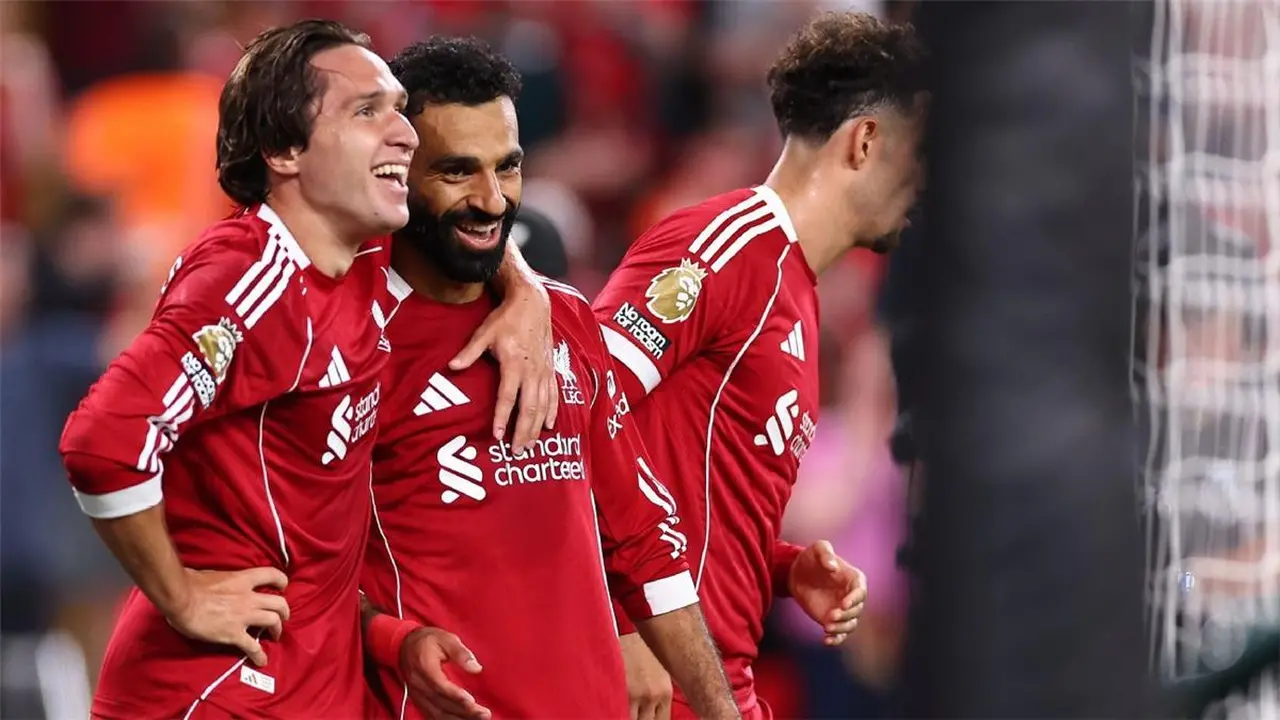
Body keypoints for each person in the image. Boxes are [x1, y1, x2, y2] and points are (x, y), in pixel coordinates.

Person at [58, 20, 556, 719]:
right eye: (367, 111)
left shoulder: (359, 255)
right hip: (218, 690)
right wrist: (183, 596)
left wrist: (526, 290)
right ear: (285, 150)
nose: (405, 134)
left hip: (308, 684)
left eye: (399, 109)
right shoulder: (250, 277)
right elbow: (105, 441)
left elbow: (473, 221)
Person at [358, 37, 739, 720]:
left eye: (507, 166)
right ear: (397, 172)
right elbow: (304, 564)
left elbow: (644, 541)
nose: (491, 199)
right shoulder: (353, 341)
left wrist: (720, 712)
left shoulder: (566, 317)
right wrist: (391, 639)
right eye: (456, 171)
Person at [590, 12, 927, 719]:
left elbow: (691, 490)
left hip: (719, 685)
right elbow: (573, 415)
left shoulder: (797, 290)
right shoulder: (726, 248)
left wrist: (780, 566)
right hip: (659, 688)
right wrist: (618, 626)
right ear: (866, 141)